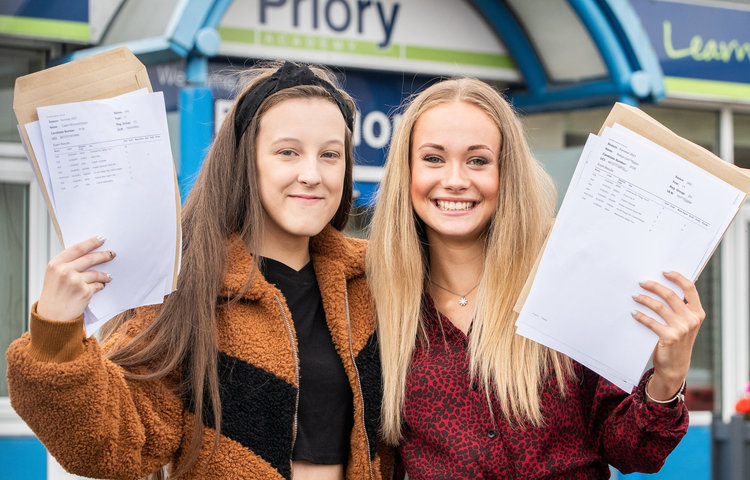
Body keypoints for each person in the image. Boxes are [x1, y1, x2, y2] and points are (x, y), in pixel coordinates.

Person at [7, 61, 392, 480]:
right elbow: (114, 443)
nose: (312, 174)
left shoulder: (375, 283)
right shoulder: (189, 287)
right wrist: (55, 333)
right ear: (248, 159)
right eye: (288, 152)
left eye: (330, 155)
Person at [366, 77, 702, 479]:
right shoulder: (374, 300)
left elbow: (632, 452)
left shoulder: (563, 280)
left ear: (505, 173)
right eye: (433, 159)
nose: (455, 179)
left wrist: (668, 377)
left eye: (478, 160)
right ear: (407, 172)